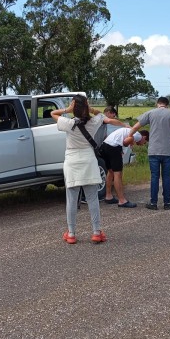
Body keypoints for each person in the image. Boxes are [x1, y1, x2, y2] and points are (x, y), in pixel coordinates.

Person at [50, 95, 108, 244]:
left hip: (72, 162)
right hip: (88, 161)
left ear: (73, 106)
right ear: (86, 106)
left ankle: (71, 233)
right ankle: (96, 232)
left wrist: (67, 109)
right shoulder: (94, 122)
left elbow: (53, 114)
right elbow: (101, 114)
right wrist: (91, 109)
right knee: (92, 199)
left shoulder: (68, 123)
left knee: (71, 199)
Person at [128, 97, 170, 210]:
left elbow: (136, 126)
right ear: (167, 104)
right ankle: (167, 203)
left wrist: (130, 136)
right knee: (166, 176)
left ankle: (153, 203)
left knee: (154, 176)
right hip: (168, 151)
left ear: (157, 104)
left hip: (154, 150)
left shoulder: (150, 113)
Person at [100, 128, 149, 208]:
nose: (142, 144)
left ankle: (108, 196)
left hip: (105, 146)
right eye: (144, 142)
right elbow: (125, 142)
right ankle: (122, 200)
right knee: (117, 173)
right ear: (144, 137)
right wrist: (130, 143)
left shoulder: (129, 131)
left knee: (111, 171)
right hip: (114, 147)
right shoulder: (138, 135)